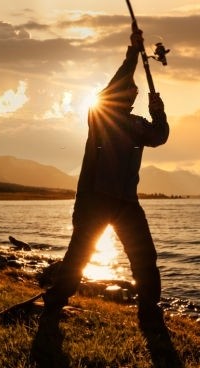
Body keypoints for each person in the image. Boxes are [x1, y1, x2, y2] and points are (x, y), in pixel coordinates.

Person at [43, 28, 168, 329]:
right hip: (94, 200)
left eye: (136, 91)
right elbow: (116, 84)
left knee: (145, 259)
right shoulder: (100, 115)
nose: (133, 90)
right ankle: (55, 302)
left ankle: (150, 313)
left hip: (126, 202)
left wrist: (158, 111)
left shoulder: (138, 124)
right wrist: (133, 53)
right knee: (79, 257)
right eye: (131, 88)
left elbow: (160, 136)